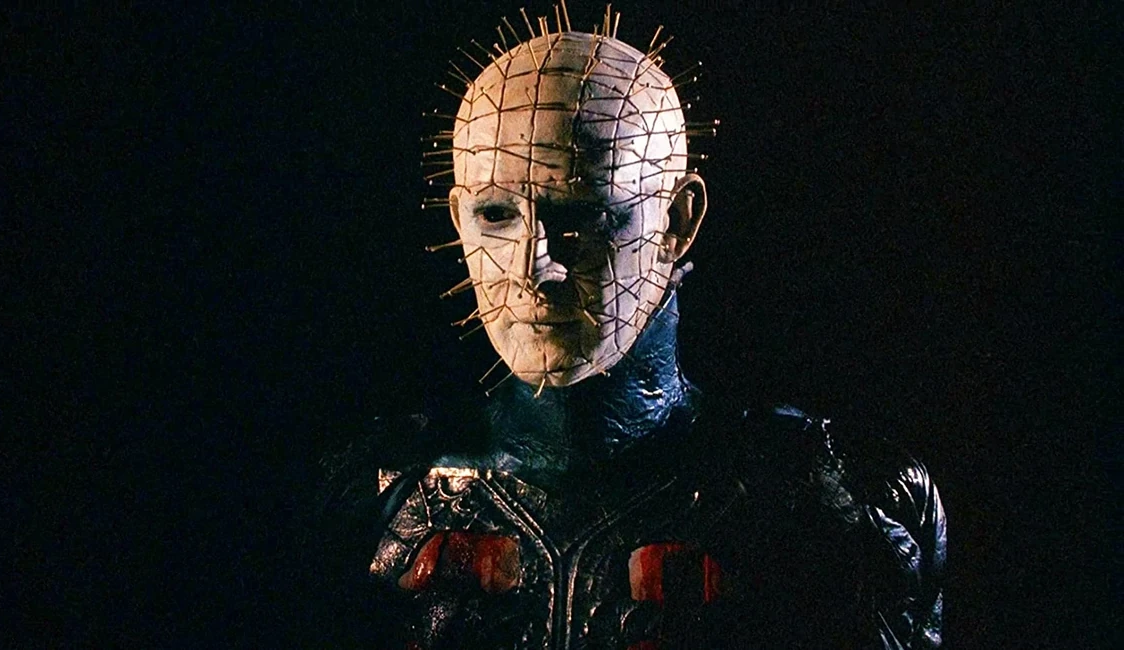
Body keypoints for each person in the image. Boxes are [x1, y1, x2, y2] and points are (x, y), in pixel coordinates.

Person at [323, 17, 945, 649]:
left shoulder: (823, 505)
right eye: (496, 213)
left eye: (587, 214)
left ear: (676, 221)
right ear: (459, 219)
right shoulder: (372, 495)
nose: (533, 266)